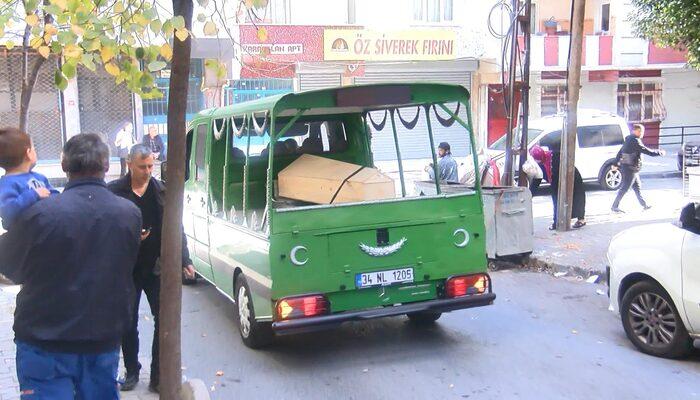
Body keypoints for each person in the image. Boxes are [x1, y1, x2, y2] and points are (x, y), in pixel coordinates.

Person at [0, 133, 142, 399]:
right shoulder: (129, 214)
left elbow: (8, 265)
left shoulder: (39, 213)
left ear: (64, 166)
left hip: (44, 340)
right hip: (103, 338)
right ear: (106, 166)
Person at [108, 144, 195, 393]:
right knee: (127, 321)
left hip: (156, 268)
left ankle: (158, 375)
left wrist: (185, 260)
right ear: (129, 165)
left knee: (163, 320)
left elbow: (176, 228)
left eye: (150, 166)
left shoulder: (160, 191)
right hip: (126, 269)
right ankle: (132, 370)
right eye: (142, 167)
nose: (147, 171)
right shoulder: (115, 192)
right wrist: (131, 238)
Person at [0, 128, 59, 230]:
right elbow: (6, 212)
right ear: (29, 153)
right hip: (24, 237)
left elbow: (53, 195)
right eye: (34, 149)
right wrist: (33, 195)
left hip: (46, 228)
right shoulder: (6, 184)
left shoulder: (39, 177)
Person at [611, 124, 665, 213]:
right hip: (630, 168)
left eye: (642, 131)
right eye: (640, 131)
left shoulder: (629, 139)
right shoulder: (635, 141)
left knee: (637, 186)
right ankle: (614, 206)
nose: (642, 133)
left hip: (631, 168)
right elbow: (647, 151)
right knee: (625, 187)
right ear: (635, 131)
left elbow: (620, 152)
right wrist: (659, 152)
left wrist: (616, 163)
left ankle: (644, 204)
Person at [548, 144, 587, 229]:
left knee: (560, 198)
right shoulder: (557, 160)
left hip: (569, 177)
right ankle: (578, 218)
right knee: (577, 196)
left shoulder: (553, 161)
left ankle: (565, 220)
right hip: (569, 176)